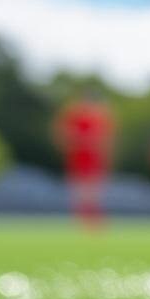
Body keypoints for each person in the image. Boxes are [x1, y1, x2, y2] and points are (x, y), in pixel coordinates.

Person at [55, 90, 114, 229]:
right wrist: (81, 140)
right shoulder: (74, 115)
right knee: (80, 191)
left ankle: (94, 219)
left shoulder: (101, 117)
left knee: (94, 192)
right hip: (79, 157)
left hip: (95, 158)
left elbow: (106, 139)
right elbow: (64, 135)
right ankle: (82, 219)